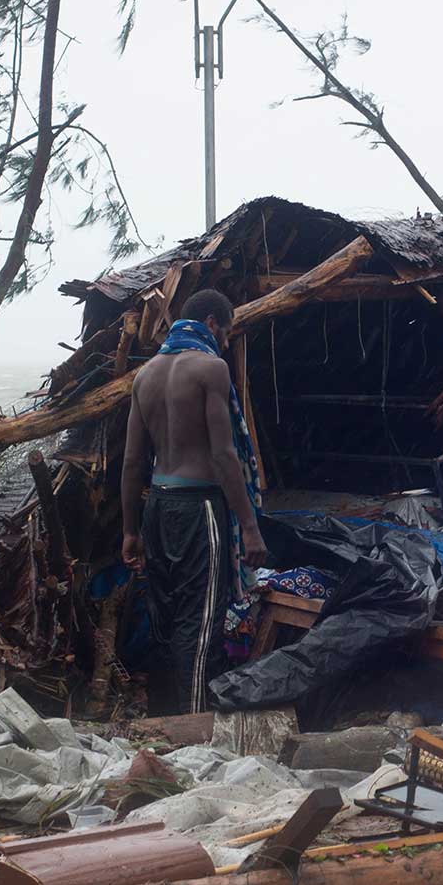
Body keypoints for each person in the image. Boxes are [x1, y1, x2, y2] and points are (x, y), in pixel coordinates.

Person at [121, 290, 268, 713]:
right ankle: (194, 725)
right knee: (200, 622)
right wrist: (251, 528)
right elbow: (224, 456)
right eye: (227, 332)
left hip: (157, 507)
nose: (226, 342)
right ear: (212, 322)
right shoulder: (211, 369)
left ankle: (162, 717)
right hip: (199, 508)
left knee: (165, 617)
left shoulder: (145, 376)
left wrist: (131, 530)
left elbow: (133, 463)